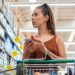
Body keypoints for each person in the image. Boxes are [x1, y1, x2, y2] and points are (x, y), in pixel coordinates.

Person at [22, 3, 67, 75]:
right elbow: (23, 64)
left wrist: (47, 52)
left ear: (46, 18)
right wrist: (28, 51)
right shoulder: (29, 41)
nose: (32, 18)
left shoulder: (57, 39)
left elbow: (64, 63)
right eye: (32, 15)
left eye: (36, 14)